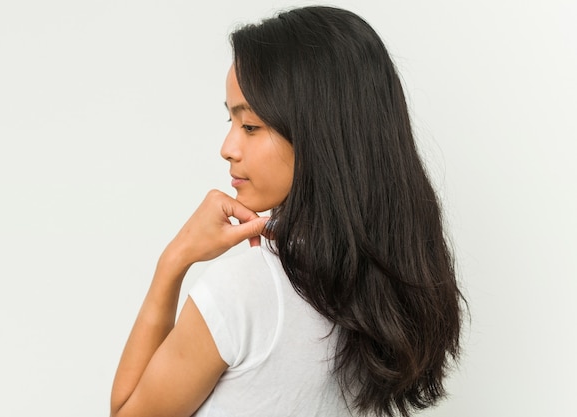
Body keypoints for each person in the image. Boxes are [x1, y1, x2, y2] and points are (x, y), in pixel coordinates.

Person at [110, 6, 464, 417]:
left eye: (250, 126)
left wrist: (174, 260)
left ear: (319, 134)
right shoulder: (387, 290)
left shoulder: (248, 290)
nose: (228, 147)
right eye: (231, 120)